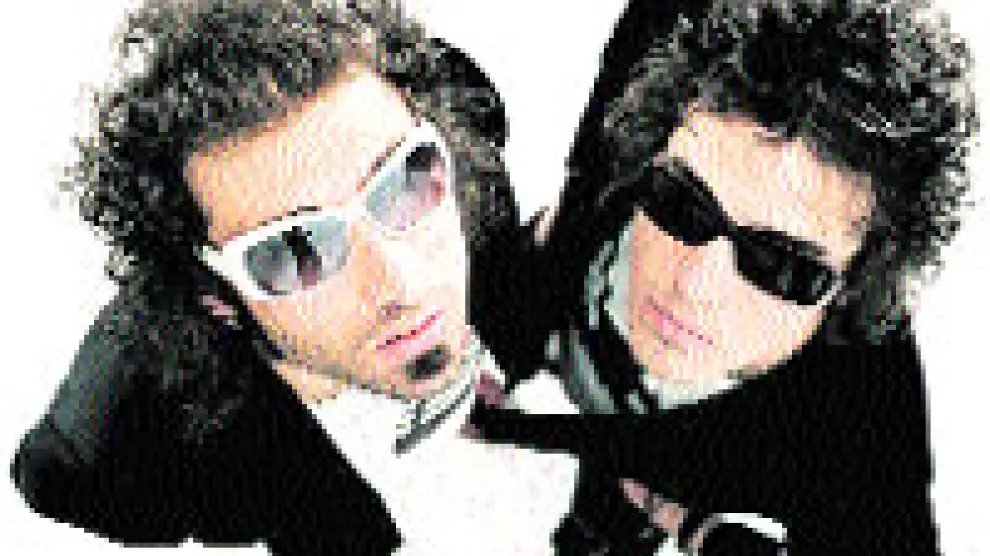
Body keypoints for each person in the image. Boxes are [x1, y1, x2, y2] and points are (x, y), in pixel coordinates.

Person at [10, 0, 576, 554]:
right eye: (295, 251)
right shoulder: (107, 446)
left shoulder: (468, 156)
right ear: (217, 299)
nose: (402, 283)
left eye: (407, 181)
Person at [471, 0, 979, 554]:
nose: (693, 286)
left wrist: (699, 531)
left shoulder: (862, 437)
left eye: (781, 266)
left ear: (853, 292)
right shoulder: (648, 97)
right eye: (681, 204)